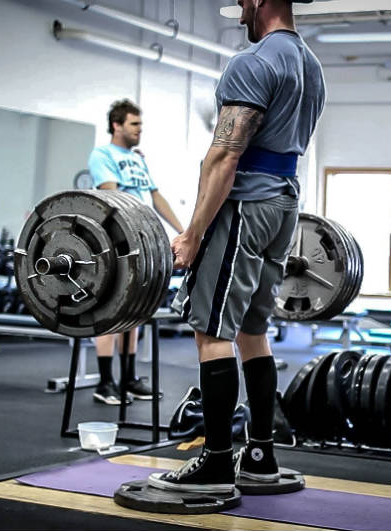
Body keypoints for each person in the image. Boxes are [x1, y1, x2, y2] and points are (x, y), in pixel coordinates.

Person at [148, 0, 325, 494]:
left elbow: (226, 155)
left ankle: (218, 460)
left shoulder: (255, 61)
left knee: (211, 329)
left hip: (245, 204)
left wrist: (193, 233)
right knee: (252, 327)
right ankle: (261, 456)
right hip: (283, 205)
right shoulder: (311, 67)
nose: (241, 7)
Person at [88, 98, 184, 405]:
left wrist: (184, 231)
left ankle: (128, 379)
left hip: (144, 241)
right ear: (117, 125)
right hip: (117, 242)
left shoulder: (139, 159)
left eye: (140, 124)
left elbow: (155, 196)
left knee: (136, 312)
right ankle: (105, 383)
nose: (139, 130)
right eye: (134, 124)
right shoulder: (102, 155)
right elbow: (112, 197)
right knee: (110, 312)